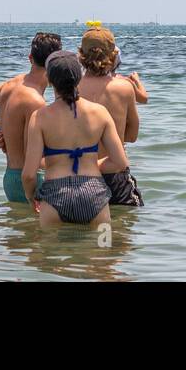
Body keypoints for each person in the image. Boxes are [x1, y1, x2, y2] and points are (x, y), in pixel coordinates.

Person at [22, 51, 125, 225]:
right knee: (102, 250)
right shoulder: (100, 112)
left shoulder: (39, 117)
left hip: (54, 194)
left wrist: (31, 197)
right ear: (79, 77)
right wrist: (92, 164)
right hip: (94, 195)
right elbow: (121, 163)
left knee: (45, 251)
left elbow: (29, 175)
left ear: (49, 79)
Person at [0, 32, 56, 203]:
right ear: (55, 62)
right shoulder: (35, 101)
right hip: (34, 179)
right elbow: (33, 154)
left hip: (10, 178)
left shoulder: (10, 86)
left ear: (30, 57)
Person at [77, 27, 144, 206]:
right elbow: (132, 136)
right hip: (115, 173)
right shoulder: (124, 88)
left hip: (80, 174)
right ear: (113, 56)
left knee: (83, 232)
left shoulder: (71, 86)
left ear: (81, 55)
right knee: (122, 230)